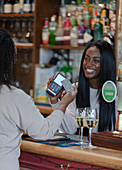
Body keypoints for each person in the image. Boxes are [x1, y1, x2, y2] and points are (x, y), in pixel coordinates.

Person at [0, 28, 77, 170]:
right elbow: (43, 132)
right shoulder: (15, 97)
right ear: (9, 60)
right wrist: (63, 104)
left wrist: (56, 102)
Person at [48, 40, 117, 135]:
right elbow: (70, 129)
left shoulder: (115, 92)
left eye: (96, 60)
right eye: (86, 59)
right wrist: (55, 102)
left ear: (106, 64)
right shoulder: (74, 89)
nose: (88, 64)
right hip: (83, 148)